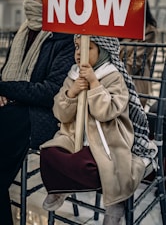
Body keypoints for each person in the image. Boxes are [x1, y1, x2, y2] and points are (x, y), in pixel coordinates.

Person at [40, 35, 157, 225]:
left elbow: (106, 112)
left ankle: (115, 204)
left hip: (107, 140)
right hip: (75, 137)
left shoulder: (113, 77)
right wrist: (72, 93)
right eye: (77, 47)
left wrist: (94, 84)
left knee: (106, 169)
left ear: (102, 51)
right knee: (48, 153)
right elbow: (60, 114)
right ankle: (61, 188)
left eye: (88, 48)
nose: (79, 53)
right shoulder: (73, 76)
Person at [0, 0, 75, 225]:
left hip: (44, 117)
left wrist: (5, 89)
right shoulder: (24, 32)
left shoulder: (63, 38)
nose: (27, 2)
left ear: (51, 1)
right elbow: (7, 75)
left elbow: (50, 91)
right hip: (16, 109)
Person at [119, 0, 157, 107]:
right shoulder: (119, 28)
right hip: (115, 82)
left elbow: (135, 64)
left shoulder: (148, 31)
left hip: (135, 83)